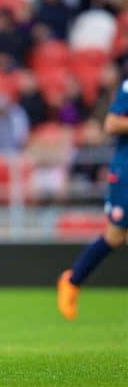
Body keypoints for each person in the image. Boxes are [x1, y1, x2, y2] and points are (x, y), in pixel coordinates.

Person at [57, 78, 128, 320]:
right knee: (115, 234)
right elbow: (111, 123)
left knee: (116, 236)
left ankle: (73, 280)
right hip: (126, 172)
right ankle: (72, 281)